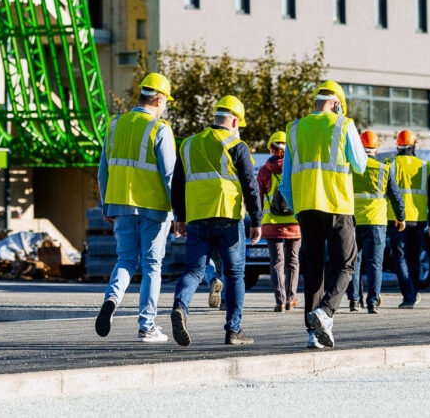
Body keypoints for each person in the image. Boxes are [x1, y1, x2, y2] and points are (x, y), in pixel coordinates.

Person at [279, 80, 367, 349]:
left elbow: (285, 183)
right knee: (346, 264)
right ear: (338, 104)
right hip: (337, 206)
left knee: (314, 269)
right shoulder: (343, 124)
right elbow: (361, 165)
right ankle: (326, 312)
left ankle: (313, 333)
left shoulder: (294, 129)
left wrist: (300, 208)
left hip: (307, 209)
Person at [170, 95, 263, 346]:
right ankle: (234, 331)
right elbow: (250, 185)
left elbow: (177, 183)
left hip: (197, 217)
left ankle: (180, 307)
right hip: (227, 218)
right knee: (234, 274)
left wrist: (179, 216)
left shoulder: (188, 144)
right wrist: (256, 219)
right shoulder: (236, 145)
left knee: (194, 270)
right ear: (234, 121)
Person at [95, 73, 176, 342]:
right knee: (153, 265)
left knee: (126, 260)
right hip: (153, 208)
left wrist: (107, 204)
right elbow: (169, 176)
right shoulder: (159, 128)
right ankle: (146, 326)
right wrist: (178, 213)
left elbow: (102, 171)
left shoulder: (115, 124)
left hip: (119, 205)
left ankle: (112, 299)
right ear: (159, 99)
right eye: (166, 103)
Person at [347, 130, 405, 314]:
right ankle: (372, 302)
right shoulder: (383, 169)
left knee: (354, 263)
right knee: (375, 263)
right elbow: (396, 196)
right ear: (377, 148)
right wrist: (401, 217)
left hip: (353, 220)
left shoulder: (351, 168)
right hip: (377, 222)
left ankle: (354, 301)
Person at [386, 130, 430, 309]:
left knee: (399, 257)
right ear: (414, 146)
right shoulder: (425, 166)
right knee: (414, 257)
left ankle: (408, 295)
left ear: (398, 146)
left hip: (395, 219)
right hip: (418, 219)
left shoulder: (389, 164)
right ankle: (414, 293)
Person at [257, 131, 301, 312]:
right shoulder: (296, 168)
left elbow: (257, 196)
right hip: (294, 221)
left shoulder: (264, 170)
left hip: (271, 222)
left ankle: (280, 301)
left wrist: (256, 220)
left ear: (271, 148)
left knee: (276, 261)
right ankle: (291, 298)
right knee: (293, 261)